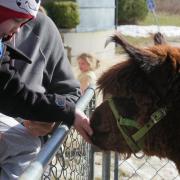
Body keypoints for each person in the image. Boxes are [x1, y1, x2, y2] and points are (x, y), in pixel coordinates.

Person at [0, 1, 93, 179]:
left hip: (22, 148)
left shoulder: (41, 30)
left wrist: (60, 114)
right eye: (17, 19)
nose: (18, 30)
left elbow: (12, 91)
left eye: (24, 23)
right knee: (24, 144)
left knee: (25, 143)